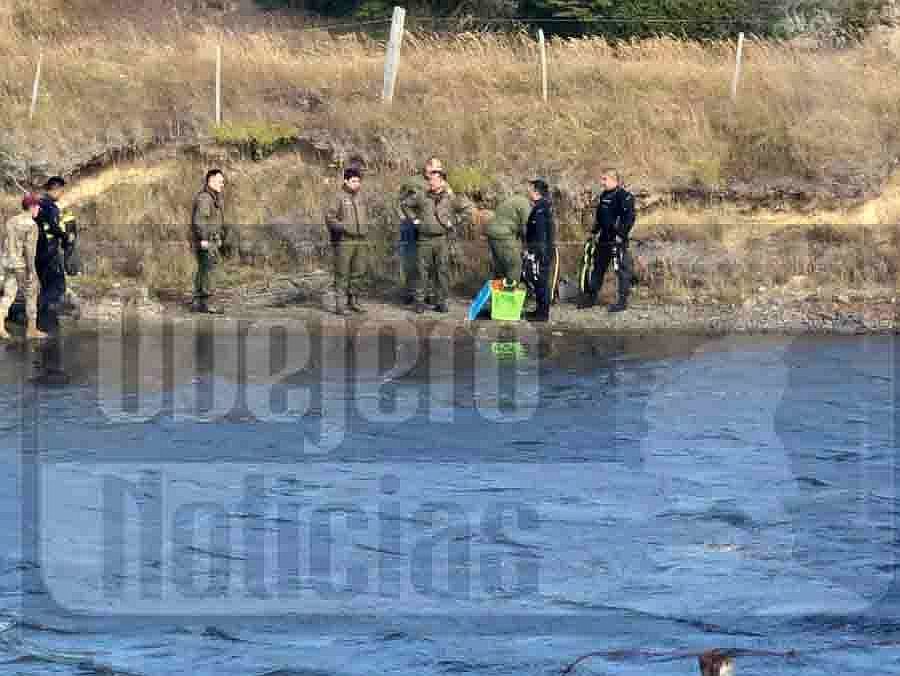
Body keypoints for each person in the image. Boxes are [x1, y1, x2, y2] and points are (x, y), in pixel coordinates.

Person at [400, 165, 474, 314]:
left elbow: (468, 210)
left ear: (442, 182)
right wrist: (414, 219)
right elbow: (405, 204)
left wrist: (454, 220)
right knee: (422, 271)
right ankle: (419, 302)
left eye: (434, 180)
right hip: (424, 239)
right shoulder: (422, 195)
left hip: (442, 240)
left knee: (442, 271)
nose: (431, 183)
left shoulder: (451, 198)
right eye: (430, 180)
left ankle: (441, 302)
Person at [579, 168, 636, 313]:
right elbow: (600, 218)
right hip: (604, 238)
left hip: (617, 240)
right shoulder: (604, 195)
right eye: (602, 179)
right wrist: (593, 233)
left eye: (604, 179)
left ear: (613, 179)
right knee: (598, 267)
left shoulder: (624, 196)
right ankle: (591, 297)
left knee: (620, 270)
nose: (601, 182)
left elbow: (629, 219)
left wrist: (621, 235)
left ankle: (622, 302)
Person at [397, 157, 444, 305]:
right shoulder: (413, 182)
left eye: (440, 170)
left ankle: (427, 293)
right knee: (410, 260)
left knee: (428, 262)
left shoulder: (441, 182)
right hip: (411, 227)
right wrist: (409, 219)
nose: (438, 172)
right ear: (427, 167)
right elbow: (400, 202)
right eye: (436, 169)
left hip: (429, 227)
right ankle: (409, 292)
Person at [0, 194, 46, 340]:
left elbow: (6, 243)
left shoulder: (11, 220)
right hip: (21, 265)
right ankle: (31, 330)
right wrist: (33, 272)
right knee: (31, 294)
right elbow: (30, 251)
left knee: (8, 295)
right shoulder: (32, 225)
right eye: (37, 206)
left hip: (7, 263)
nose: (39, 208)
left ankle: (0, 326)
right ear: (31, 207)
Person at [325, 167, 371, 316]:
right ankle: (340, 305)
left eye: (359, 181)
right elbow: (330, 218)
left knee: (359, 272)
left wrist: (365, 226)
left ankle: (354, 301)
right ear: (346, 181)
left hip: (361, 240)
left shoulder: (361, 196)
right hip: (345, 240)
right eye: (354, 181)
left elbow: (365, 214)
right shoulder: (338, 197)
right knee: (342, 273)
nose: (357, 184)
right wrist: (343, 227)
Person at [190, 169, 227, 314]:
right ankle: (206, 302)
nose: (222, 184)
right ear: (210, 180)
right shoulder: (205, 198)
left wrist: (218, 237)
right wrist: (204, 239)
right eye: (220, 181)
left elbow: (213, 221)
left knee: (204, 268)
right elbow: (199, 221)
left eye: (223, 182)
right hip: (206, 241)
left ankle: (198, 302)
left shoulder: (212, 197)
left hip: (210, 240)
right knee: (209, 269)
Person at [34, 176, 68, 331]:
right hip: (49, 253)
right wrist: (65, 235)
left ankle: (39, 319)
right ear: (55, 189)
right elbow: (53, 228)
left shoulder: (37, 204)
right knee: (57, 286)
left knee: (46, 285)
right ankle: (41, 319)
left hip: (36, 252)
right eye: (61, 191)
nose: (62, 194)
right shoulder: (51, 207)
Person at [523, 179, 555, 323]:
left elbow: (541, 233)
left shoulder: (542, 208)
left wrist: (539, 253)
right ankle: (540, 309)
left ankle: (543, 314)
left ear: (536, 192)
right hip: (538, 250)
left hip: (541, 251)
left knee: (541, 281)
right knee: (538, 280)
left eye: (531, 188)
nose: (528, 191)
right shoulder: (541, 206)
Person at [486, 193, 530, 284]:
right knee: (515, 264)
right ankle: (509, 293)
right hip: (503, 235)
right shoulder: (525, 204)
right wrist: (529, 244)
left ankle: (498, 294)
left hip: (493, 233)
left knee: (501, 267)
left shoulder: (513, 200)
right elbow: (526, 227)